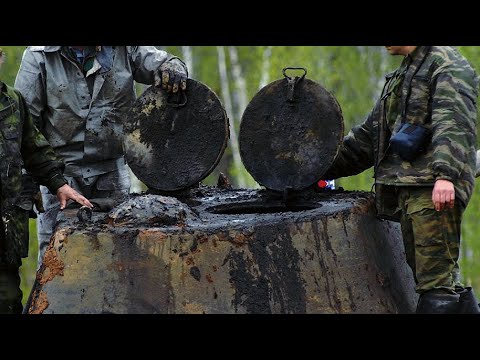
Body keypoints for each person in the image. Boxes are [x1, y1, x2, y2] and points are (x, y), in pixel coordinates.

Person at [322, 46, 480, 314]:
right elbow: (367, 139)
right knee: (439, 280)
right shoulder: (405, 73)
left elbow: (454, 123)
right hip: (412, 190)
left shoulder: (446, 64)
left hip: (432, 188)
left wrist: (446, 176)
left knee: (435, 285)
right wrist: (317, 169)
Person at [14, 46, 188, 266]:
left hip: (110, 169)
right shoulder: (40, 55)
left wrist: (172, 67)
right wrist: (28, 180)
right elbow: (24, 126)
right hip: (58, 174)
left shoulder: (124, 50)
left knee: (119, 250)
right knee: (57, 255)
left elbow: (163, 63)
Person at [0, 48, 93, 314]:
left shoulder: (12, 102)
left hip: (6, 234)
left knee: (7, 302)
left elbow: (33, 149)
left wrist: (58, 184)